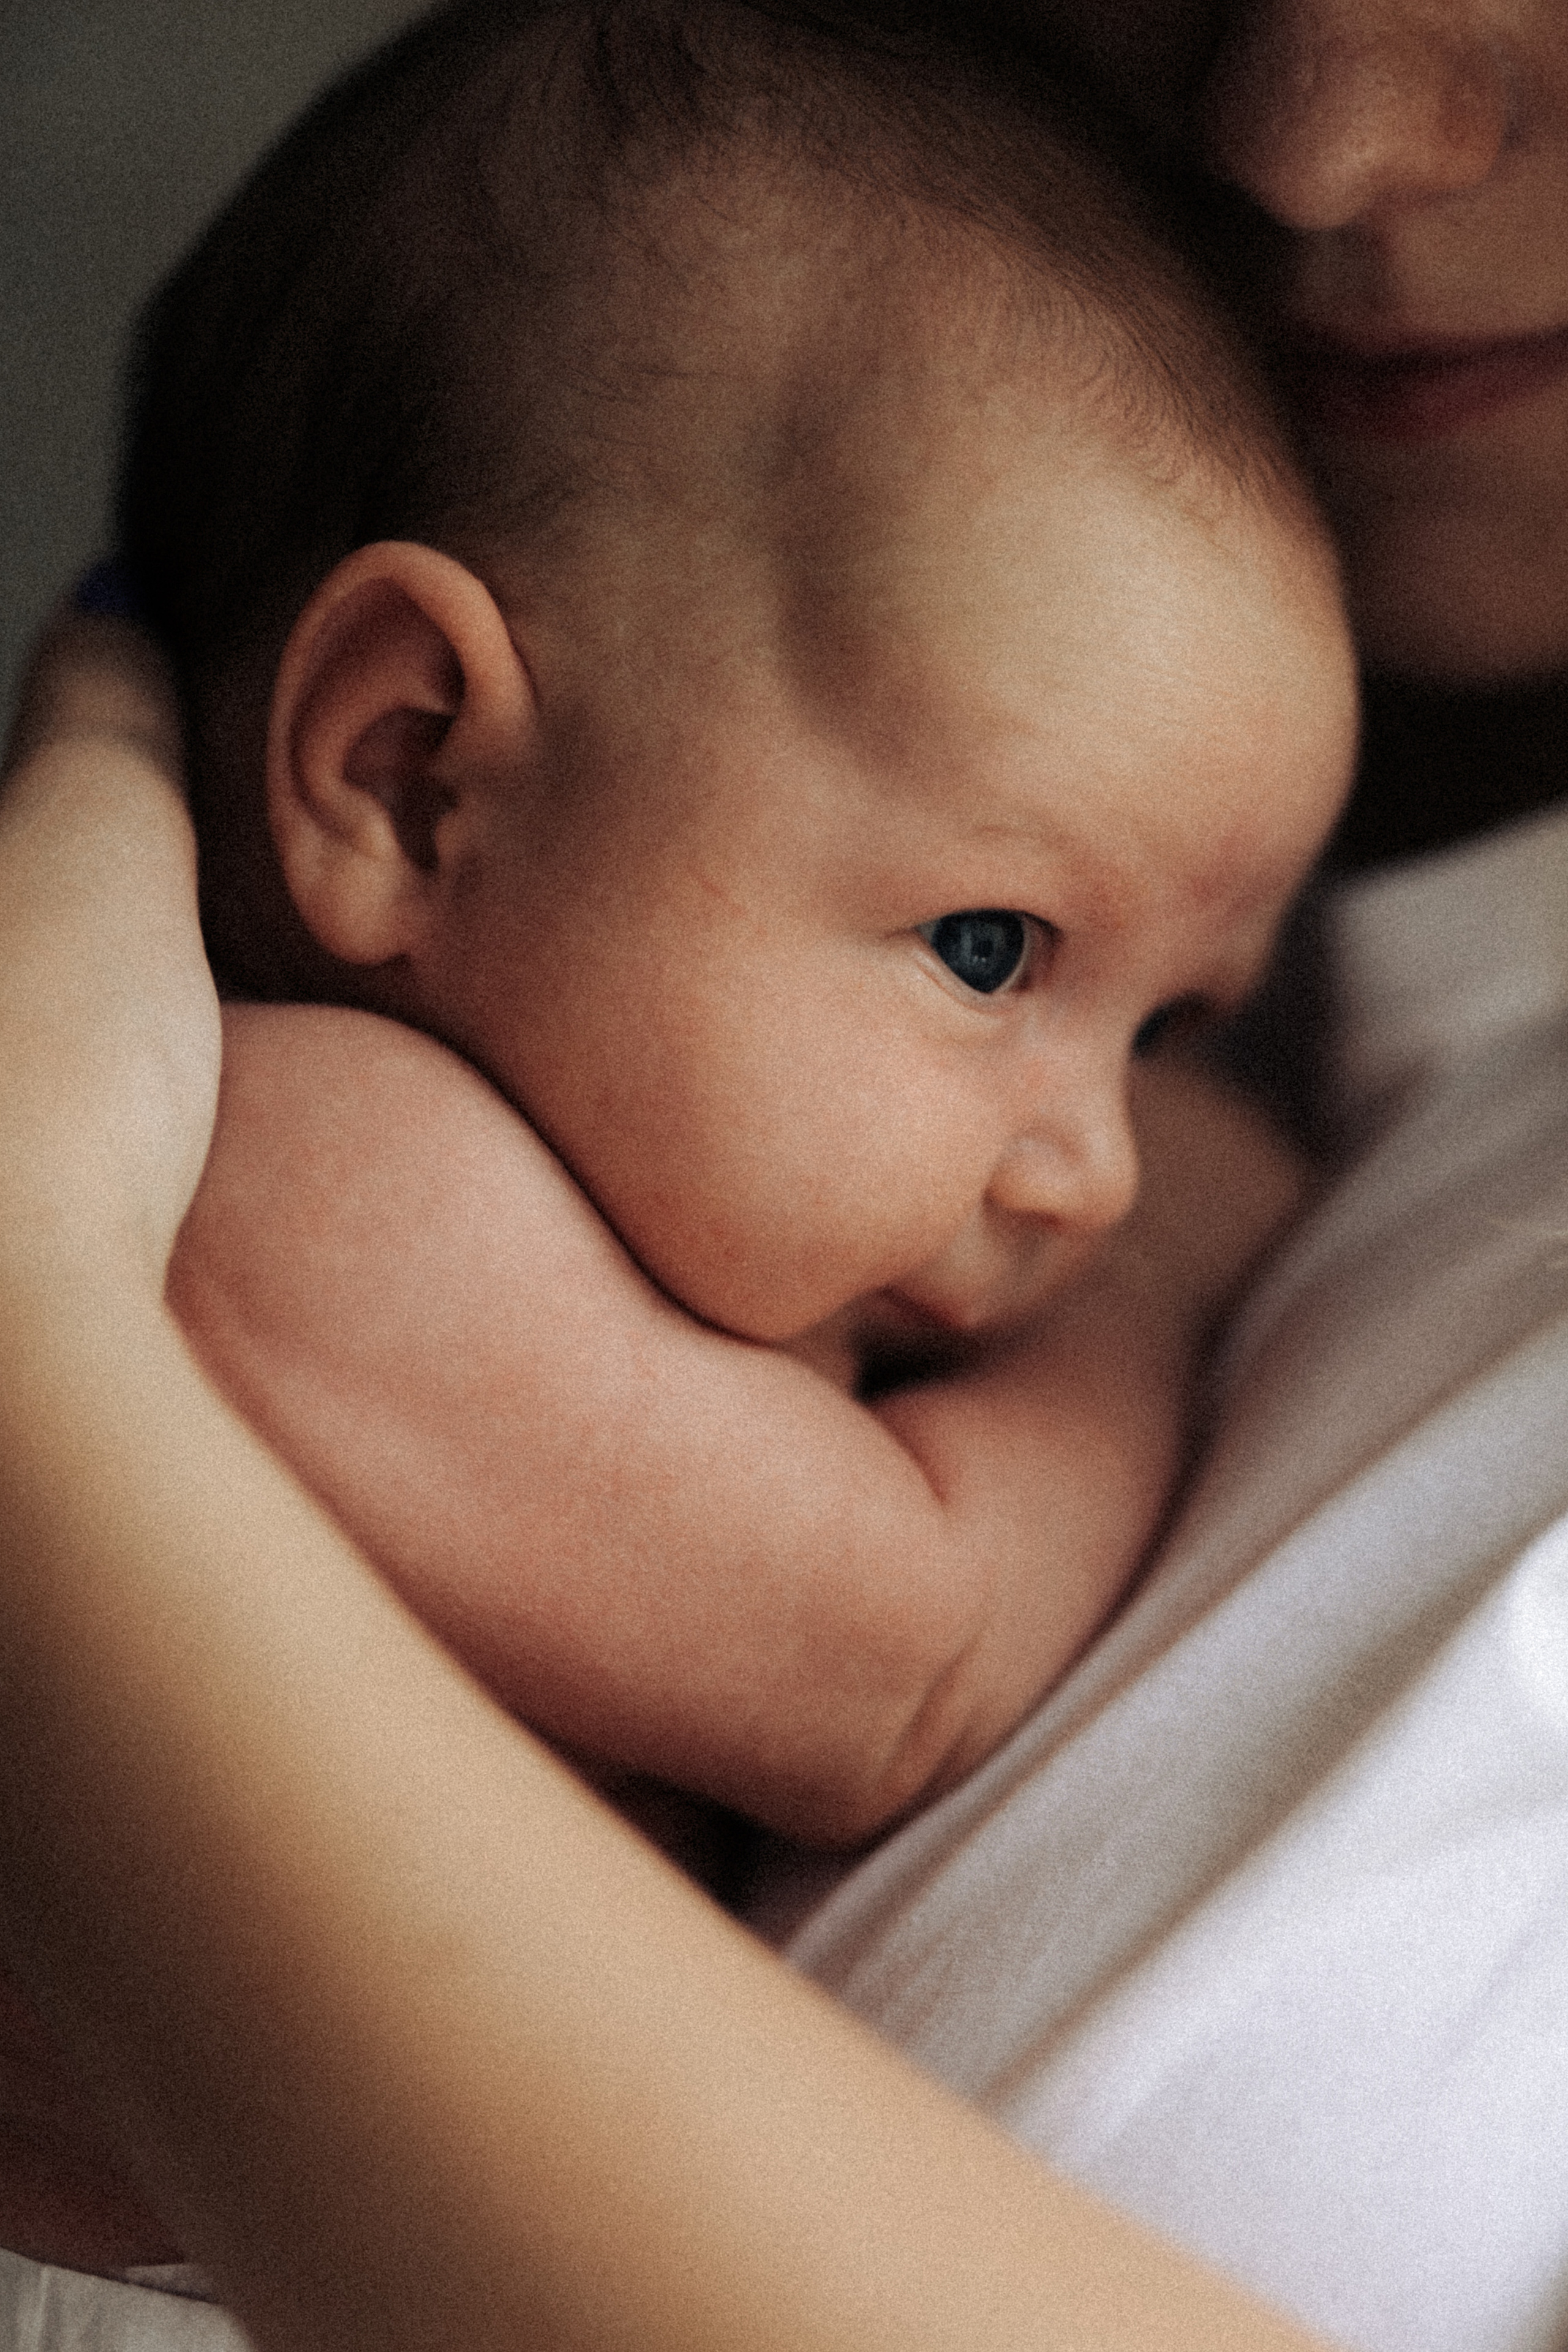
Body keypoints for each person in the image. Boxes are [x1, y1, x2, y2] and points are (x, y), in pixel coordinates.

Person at [4, 0, 1563, 2348]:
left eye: (1172, 1034)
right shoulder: (305, 1183)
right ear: (417, 776)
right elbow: (905, 1666)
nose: (1091, 1165)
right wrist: (1180, 1279)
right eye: (989, 949)